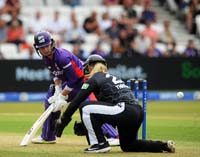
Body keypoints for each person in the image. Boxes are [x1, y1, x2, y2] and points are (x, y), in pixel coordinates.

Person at [54, 54, 176, 153]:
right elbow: (107, 112)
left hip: (124, 109)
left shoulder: (94, 78)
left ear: (90, 67)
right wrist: (86, 126)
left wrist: (62, 121)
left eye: (86, 67)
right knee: (129, 146)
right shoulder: (110, 77)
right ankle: (163, 145)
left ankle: (99, 144)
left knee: (85, 107)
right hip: (137, 112)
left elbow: (76, 101)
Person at [31, 32, 119, 145]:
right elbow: (56, 74)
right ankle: (48, 136)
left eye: (47, 46)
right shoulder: (46, 58)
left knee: (89, 108)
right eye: (42, 48)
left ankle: (114, 136)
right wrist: (57, 91)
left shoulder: (62, 57)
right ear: (37, 48)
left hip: (84, 81)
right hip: (72, 83)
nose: (45, 49)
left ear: (52, 44)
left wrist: (62, 96)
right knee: (50, 97)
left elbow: (74, 79)